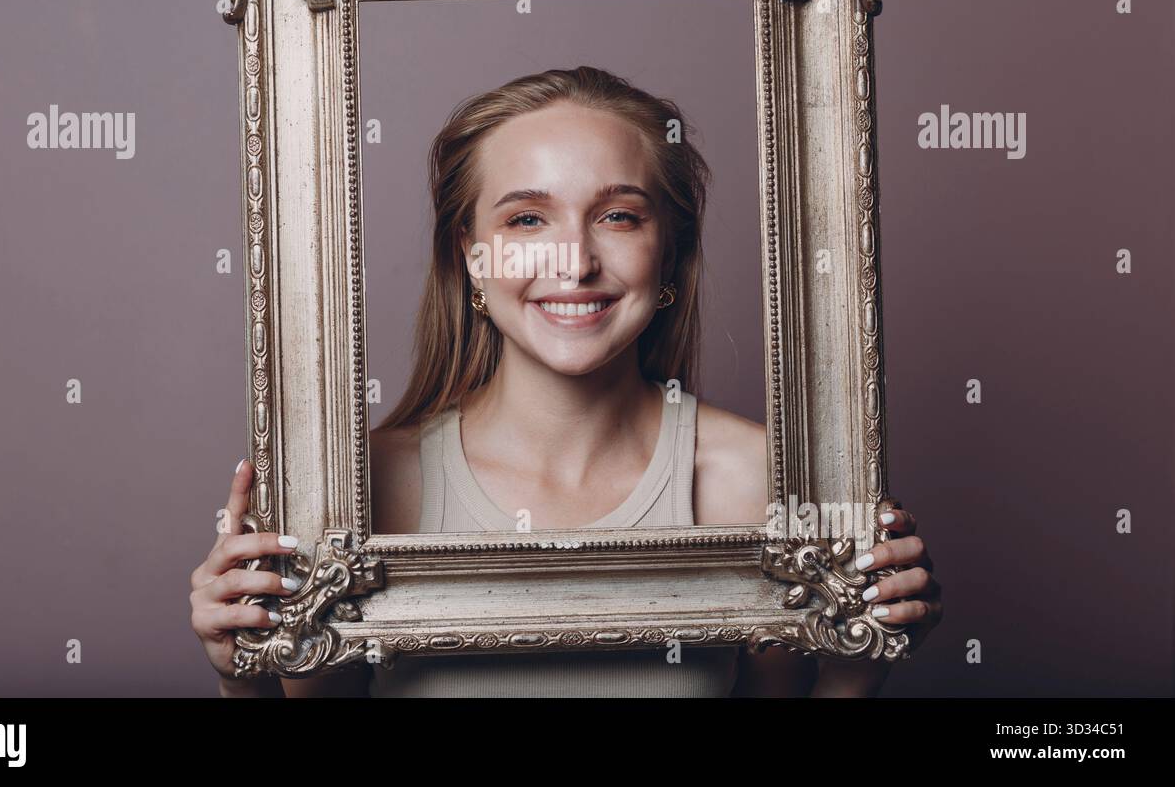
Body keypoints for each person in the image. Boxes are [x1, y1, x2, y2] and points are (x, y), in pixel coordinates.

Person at [190, 67, 942, 697]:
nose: (572, 262)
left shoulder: (759, 481)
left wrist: (857, 656)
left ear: (669, 251)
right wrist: (244, 673)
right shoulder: (364, 490)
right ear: (470, 255)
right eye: (526, 221)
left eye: (618, 216)